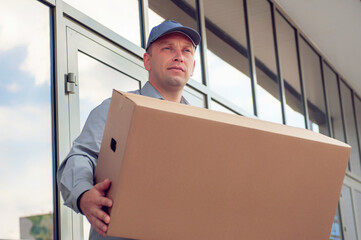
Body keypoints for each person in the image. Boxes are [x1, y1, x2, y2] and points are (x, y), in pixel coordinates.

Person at [57, 20, 201, 240]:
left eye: (186, 51)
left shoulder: (202, 128)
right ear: (147, 61)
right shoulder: (117, 109)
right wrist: (84, 195)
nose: (179, 56)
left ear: (192, 67)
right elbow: (81, 156)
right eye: (168, 48)